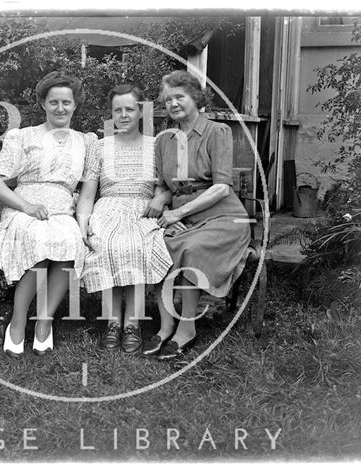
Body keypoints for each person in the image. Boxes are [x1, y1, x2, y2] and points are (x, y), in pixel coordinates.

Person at [0, 71, 97, 358]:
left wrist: (82, 224)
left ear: (75, 105)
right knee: (39, 238)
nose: (60, 108)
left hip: (62, 211)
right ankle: (18, 321)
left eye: (66, 102)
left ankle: (44, 320)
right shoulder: (23, 137)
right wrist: (27, 206)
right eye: (54, 102)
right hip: (24, 210)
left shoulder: (85, 142)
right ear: (43, 104)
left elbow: (86, 192)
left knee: (70, 240)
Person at [142, 70, 251, 360]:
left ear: (195, 98)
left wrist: (178, 213)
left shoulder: (217, 132)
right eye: (168, 100)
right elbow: (163, 187)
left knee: (191, 248)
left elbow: (221, 188)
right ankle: (165, 327)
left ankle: (186, 329)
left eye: (180, 96)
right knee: (157, 244)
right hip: (183, 216)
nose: (173, 104)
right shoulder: (163, 141)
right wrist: (163, 202)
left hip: (223, 218)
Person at [77, 84, 173, 353]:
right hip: (107, 208)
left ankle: (132, 323)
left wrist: (160, 197)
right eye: (117, 110)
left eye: (130, 109)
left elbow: (164, 186)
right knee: (107, 244)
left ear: (140, 111)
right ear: (111, 114)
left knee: (137, 244)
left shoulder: (155, 146)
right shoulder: (100, 146)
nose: (124, 115)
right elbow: (87, 194)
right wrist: (83, 220)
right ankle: (112, 323)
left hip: (142, 209)